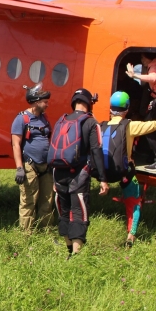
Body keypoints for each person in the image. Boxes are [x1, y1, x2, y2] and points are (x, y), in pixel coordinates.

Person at [47, 88, 110, 258]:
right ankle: (75, 255)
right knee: (78, 212)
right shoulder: (90, 122)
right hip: (78, 174)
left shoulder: (62, 120)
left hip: (58, 172)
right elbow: (96, 150)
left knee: (64, 210)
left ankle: (68, 249)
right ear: (89, 103)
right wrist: (103, 179)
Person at [101, 91, 156, 247]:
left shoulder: (101, 126)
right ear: (127, 109)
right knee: (134, 202)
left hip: (104, 172)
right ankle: (131, 235)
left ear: (111, 109)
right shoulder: (130, 125)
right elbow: (153, 125)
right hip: (125, 172)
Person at [10, 83, 54, 233]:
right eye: (45, 102)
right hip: (29, 165)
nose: (47, 104)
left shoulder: (44, 118)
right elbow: (16, 144)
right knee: (29, 200)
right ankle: (26, 235)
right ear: (36, 101)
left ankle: (46, 231)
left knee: (47, 201)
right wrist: (19, 168)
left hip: (46, 166)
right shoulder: (21, 119)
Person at [126, 54, 156, 170]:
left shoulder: (154, 68)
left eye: (143, 58)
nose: (141, 61)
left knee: (148, 128)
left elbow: (154, 78)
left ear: (149, 58)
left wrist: (134, 75)